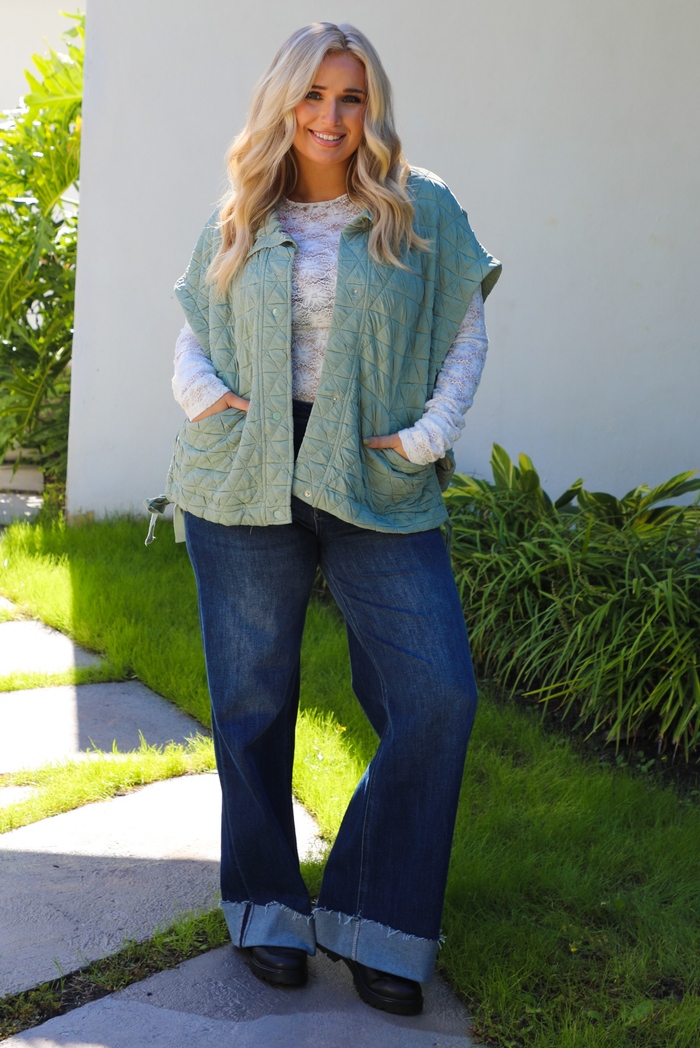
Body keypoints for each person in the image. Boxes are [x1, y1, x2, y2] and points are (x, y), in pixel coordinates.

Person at [164, 21, 500, 1017]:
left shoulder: (417, 208)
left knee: (435, 692)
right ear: (282, 103)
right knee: (252, 701)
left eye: (350, 97)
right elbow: (194, 326)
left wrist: (434, 431)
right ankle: (266, 905)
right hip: (245, 469)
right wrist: (200, 397)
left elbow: (465, 322)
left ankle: (376, 915)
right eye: (312, 96)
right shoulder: (243, 211)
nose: (330, 116)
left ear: (372, 106)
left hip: (375, 466)